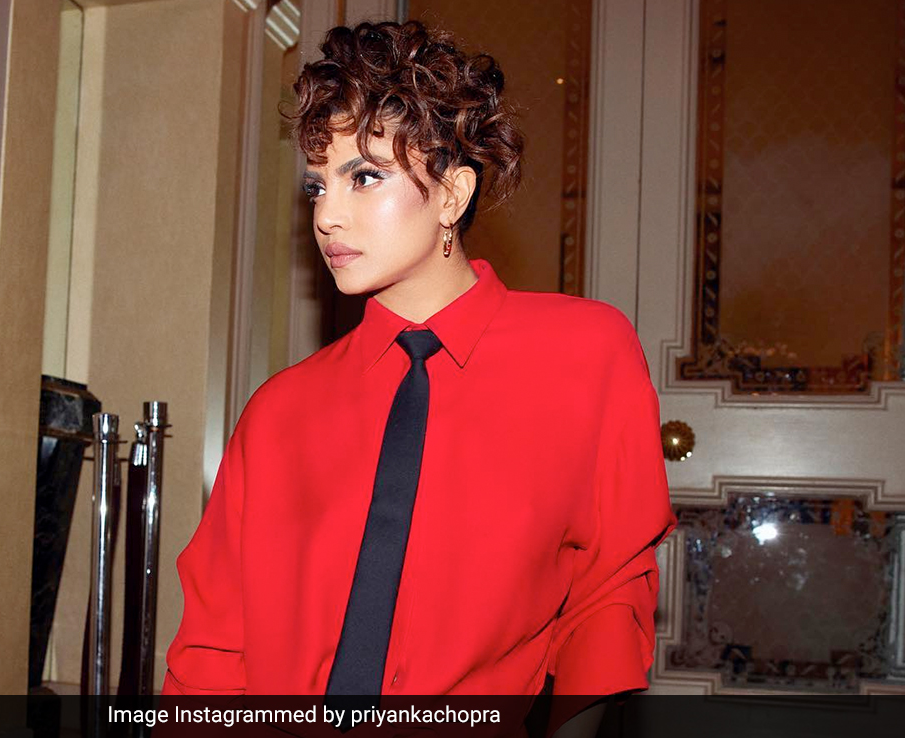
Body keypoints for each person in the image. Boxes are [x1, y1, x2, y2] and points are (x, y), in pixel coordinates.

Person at [162, 20, 676, 737]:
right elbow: (213, 652)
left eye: (364, 176)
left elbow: (608, 593)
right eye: (316, 186)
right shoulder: (280, 411)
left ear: (453, 194)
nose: (327, 215)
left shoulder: (586, 353)